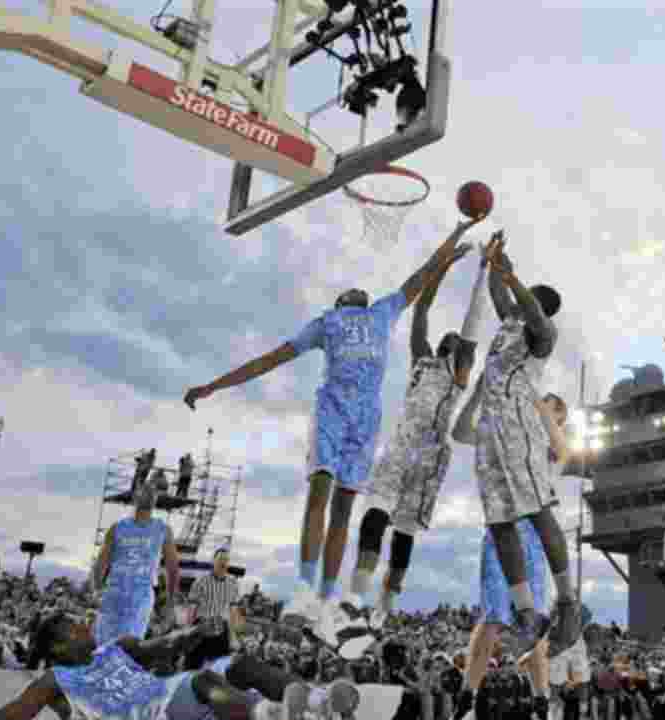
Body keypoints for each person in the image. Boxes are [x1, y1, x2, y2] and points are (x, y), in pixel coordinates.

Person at [184, 217, 484, 644]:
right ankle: (305, 587)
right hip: (333, 411)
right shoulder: (327, 323)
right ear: (342, 301)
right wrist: (214, 386)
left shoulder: (382, 312)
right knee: (320, 492)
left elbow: (418, 282)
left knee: (345, 508)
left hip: (367, 421)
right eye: (350, 291)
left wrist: (452, 239)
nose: (358, 289)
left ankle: (326, 599)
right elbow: (270, 359)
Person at [344, 241, 496, 630]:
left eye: (455, 339)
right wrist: (443, 264)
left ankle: (384, 607)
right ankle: (355, 598)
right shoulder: (422, 360)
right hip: (401, 446)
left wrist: (482, 271)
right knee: (375, 515)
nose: (451, 338)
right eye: (447, 338)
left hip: (430, 456)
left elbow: (473, 322)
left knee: (404, 537)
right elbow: (423, 309)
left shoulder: (460, 369)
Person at [0, 613, 356, 720]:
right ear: (60, 647)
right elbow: (6, 716)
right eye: (74, 627)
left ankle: (320, 705)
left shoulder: (115, 647)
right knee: (199, 680)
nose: (85, 626)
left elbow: (164, 644)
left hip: (173, 700)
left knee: (238, 664)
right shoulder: (55, 680)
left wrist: (197, 631)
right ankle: (280, 719)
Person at [475, 239, 581, 658]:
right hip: (490, 431)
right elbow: (500, 298)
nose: (515, 303)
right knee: (499, 524)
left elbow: (528, 308)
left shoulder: (542, 333)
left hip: (519, 430)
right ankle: (527, 614)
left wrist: (510, 276)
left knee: (538, 513)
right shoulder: (508, 327)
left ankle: (568, 603)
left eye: (523, 297)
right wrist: (492, 265)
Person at [443, 392, 569, 720]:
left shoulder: (547, 453)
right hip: (500, 533)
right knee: (492, 620)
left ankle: (542, 709)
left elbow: (565, 451)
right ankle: (465, 705)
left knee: (534, 626)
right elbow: (460, 433)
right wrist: (478, 394)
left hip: (532, 538)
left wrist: (539, 411)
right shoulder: (503, 439)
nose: (540, 410)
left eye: (550, 409)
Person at [92, 481, 181, 645]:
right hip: (115, 592)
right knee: (103, 646)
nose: (148, 494)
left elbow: (173, 569)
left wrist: (170, 602)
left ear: (155, 500)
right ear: (135, 497)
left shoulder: (163, 529)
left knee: (127, 648)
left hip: (140, 595)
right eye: (144, 490)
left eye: (152, 491)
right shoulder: (117, 528)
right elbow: (100, 564)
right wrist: (97, 590)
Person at [183, 548, 243, 670]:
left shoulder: (233, 583)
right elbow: (192, 607)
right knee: (191, 666)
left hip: (221, 629)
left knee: (218, 669)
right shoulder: (201, 581)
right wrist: (187, 628)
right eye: (220, 559)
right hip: (201, 627)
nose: (223, 562)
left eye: (226, 560)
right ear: (213, 561)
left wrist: (233, 636)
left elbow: (233, 611)